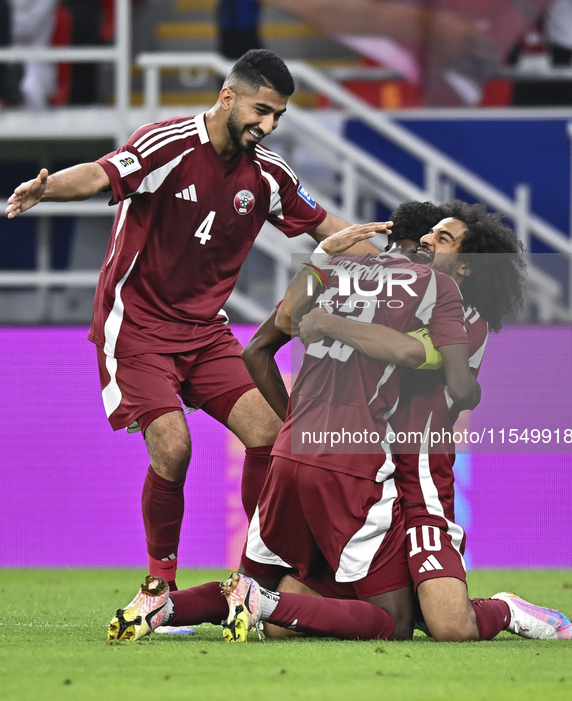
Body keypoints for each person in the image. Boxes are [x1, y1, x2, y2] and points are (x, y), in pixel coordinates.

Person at [5, 49, 389, 592]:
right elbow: (100, 174)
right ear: (228, 96)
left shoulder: (268, 173)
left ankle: (259, 577)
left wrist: (396, 270)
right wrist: (47, 188)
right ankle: (159, 588)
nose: (268, 124)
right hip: (136, 327)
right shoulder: (168, 144)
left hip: (205, 332)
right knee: (174, 445)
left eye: (278, 116)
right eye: (261, 110)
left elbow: (328, 227)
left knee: (270, 433)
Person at [105, 201, 572, 643]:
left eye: (444, 239)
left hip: (420, 480)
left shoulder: (463, 315)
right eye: (428, 236)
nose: (429, 244)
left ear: (469, 265)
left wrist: (328, 280)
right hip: (367, 466)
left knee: (447, 623)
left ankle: (506, 609)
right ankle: (177, 605)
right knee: (349, 618)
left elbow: (419, 358)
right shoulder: (390, 286)